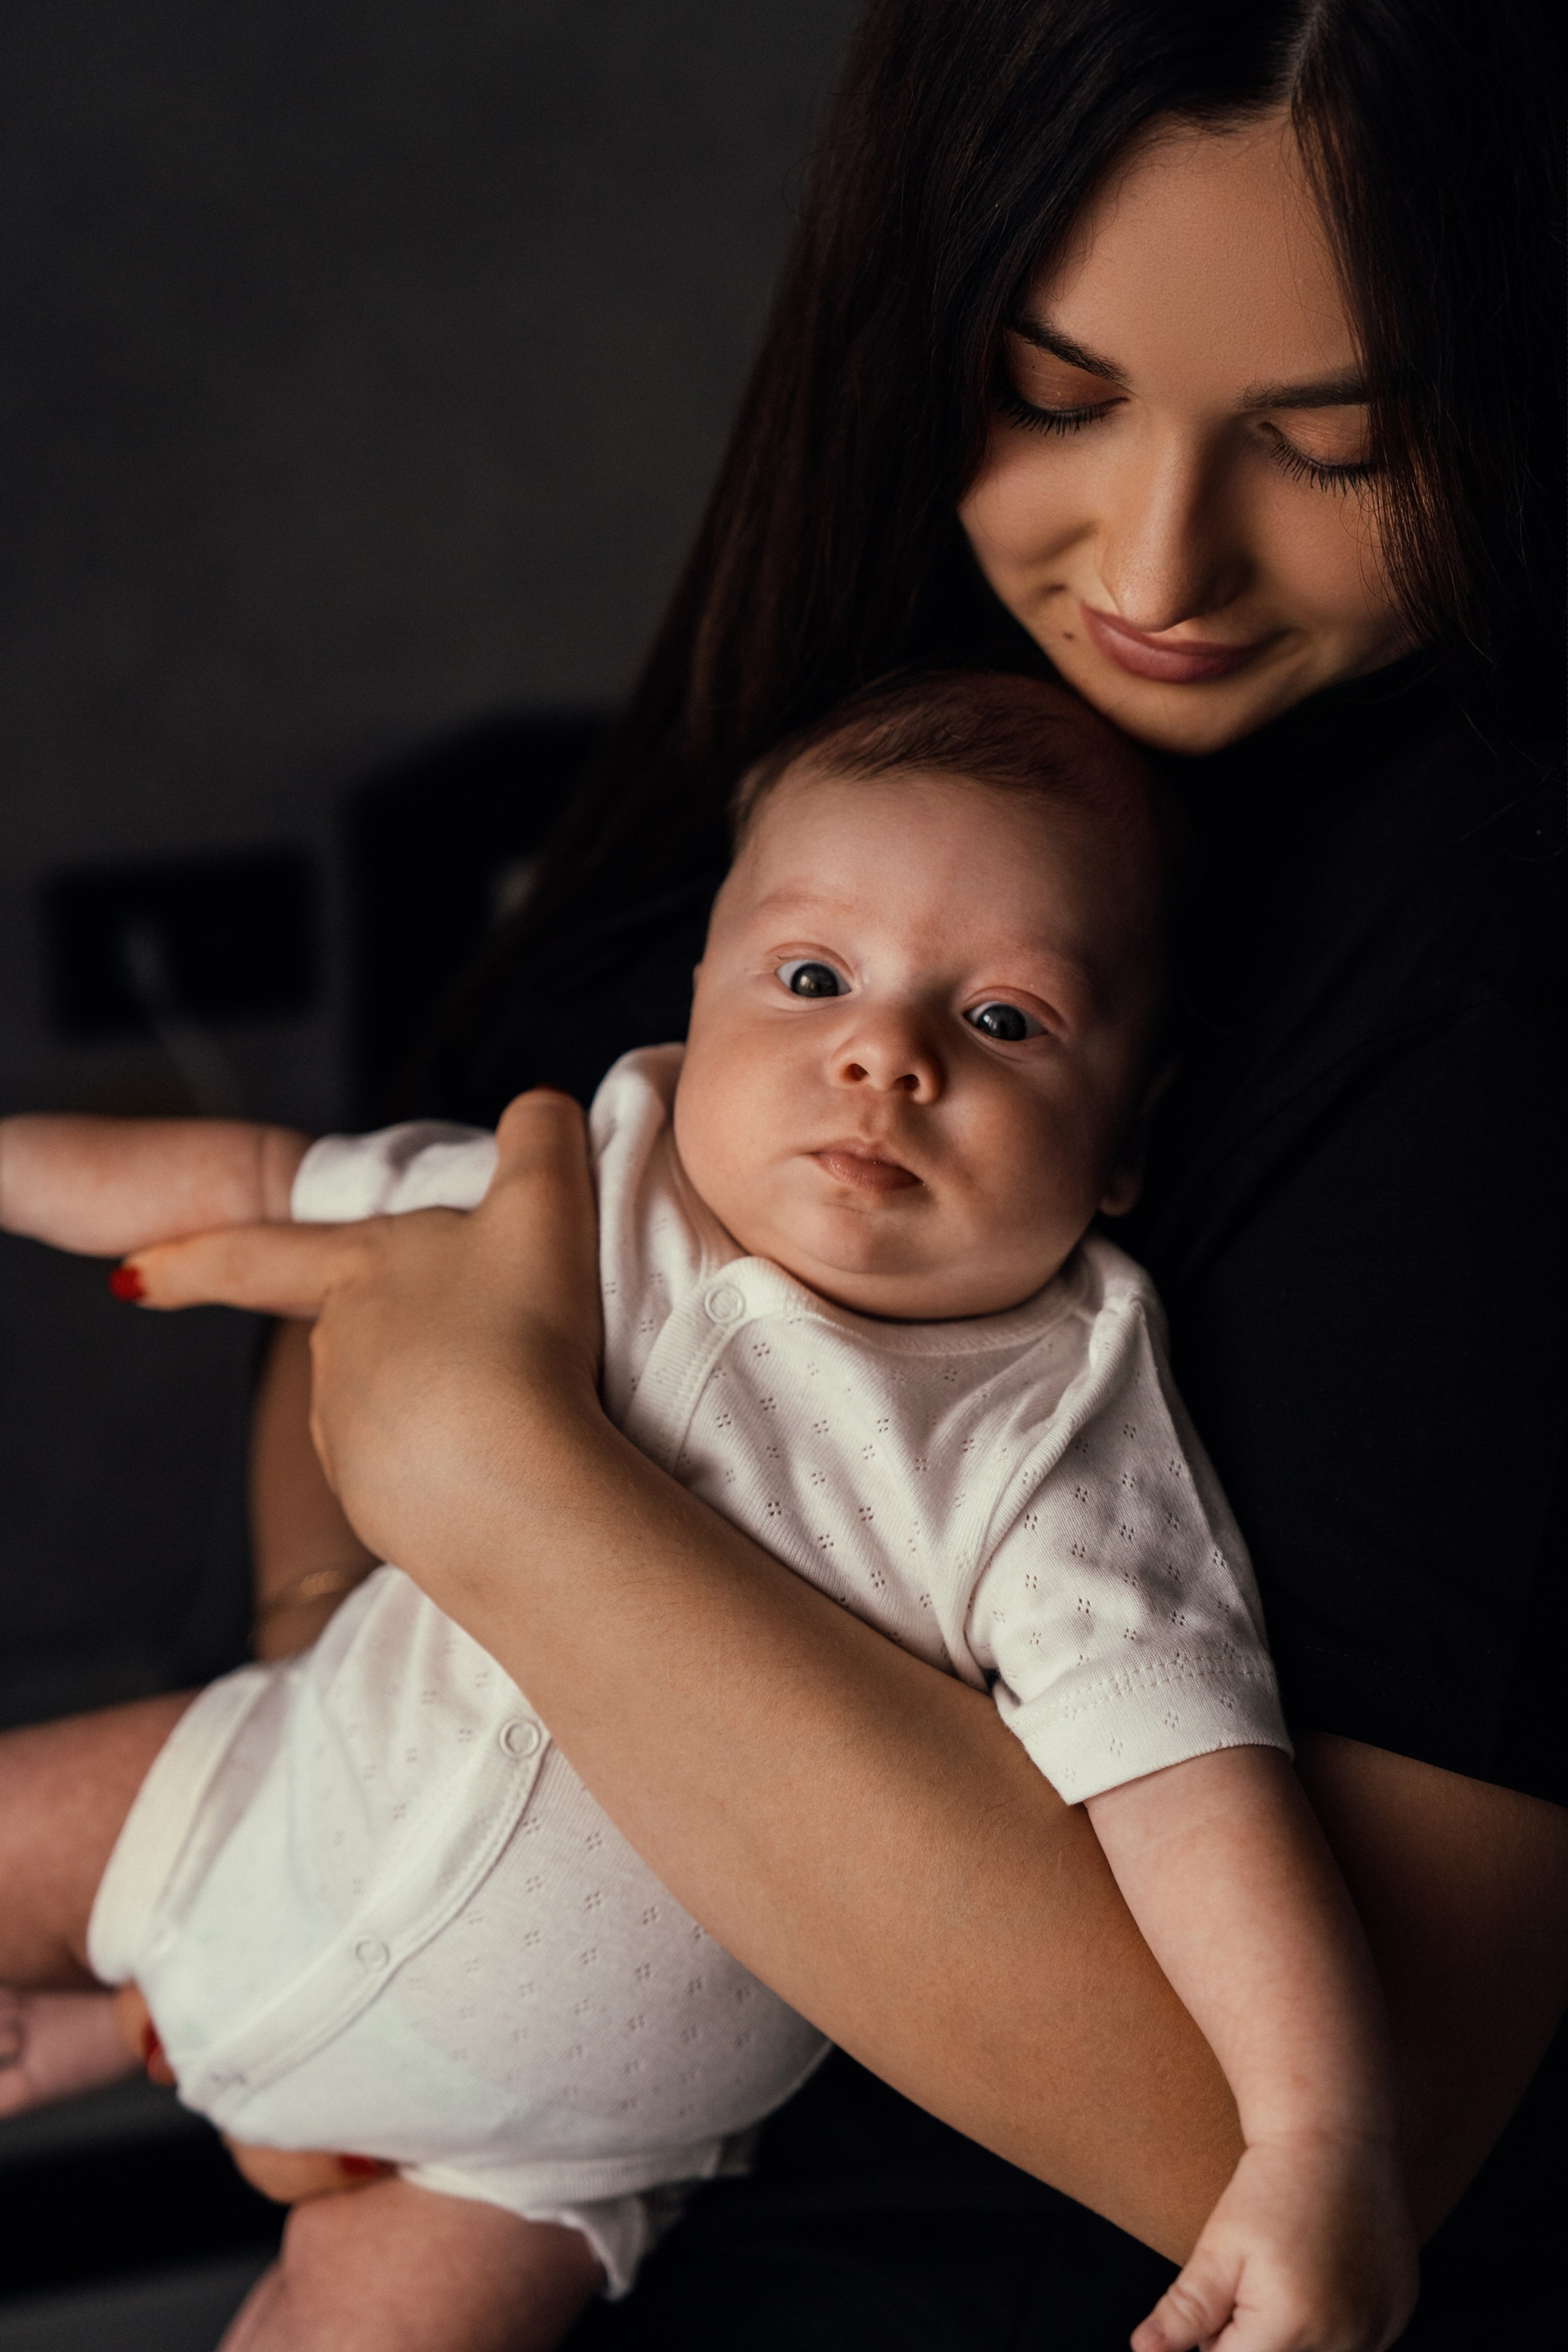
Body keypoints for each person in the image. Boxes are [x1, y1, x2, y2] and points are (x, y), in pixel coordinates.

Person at [10, 1, 1567, 2342]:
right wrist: (345, 1783)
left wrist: (500, 1485)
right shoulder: (869, 712)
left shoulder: (1474, 967)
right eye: (1052, 392)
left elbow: (1289, 2128)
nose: (1158, 560)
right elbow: (353, 1199)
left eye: (1334, 443)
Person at [0, 671, 1417, 2352]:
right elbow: (248, 1184)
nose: (882, 1053)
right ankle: (126, 2007)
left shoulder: (1050, 1435)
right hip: (242, 1808)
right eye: (813, 978)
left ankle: (131, 2022)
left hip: (519, 2162)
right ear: (700, 1002)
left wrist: (1321, 2136)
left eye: (1008, 1022)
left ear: (1128, 1139)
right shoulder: (587, 1190)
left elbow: (1192, 1786)